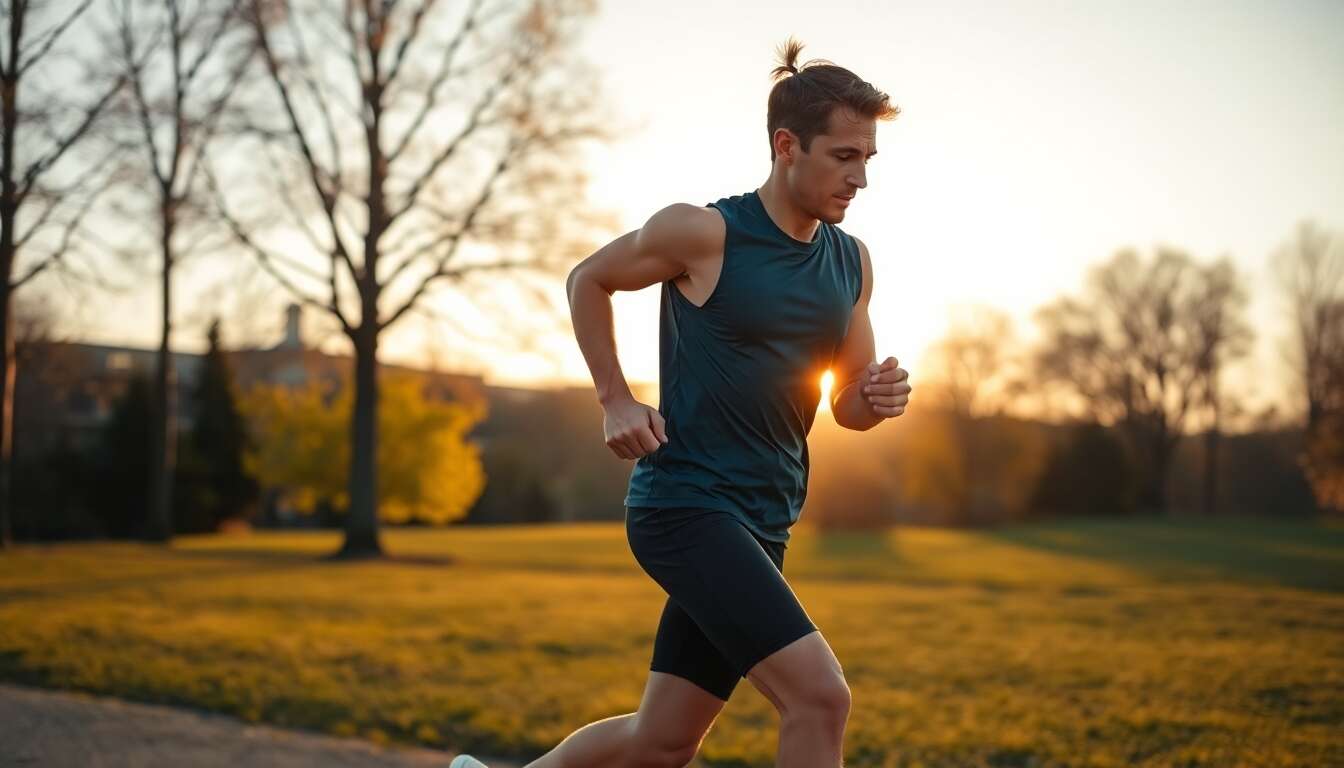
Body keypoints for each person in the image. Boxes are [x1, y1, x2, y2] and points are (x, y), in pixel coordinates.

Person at [452, 37, 910, 768]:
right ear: (787, 146)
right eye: (844, 157)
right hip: (686, 505)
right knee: (820, 697)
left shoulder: (851, 263)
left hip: (766, 519)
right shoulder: (705, 233)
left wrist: (876, 398)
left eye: (867, 159)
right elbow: (587, 279)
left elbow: (847, 405)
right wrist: (614, 398)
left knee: (661, 742)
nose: (860, 178)